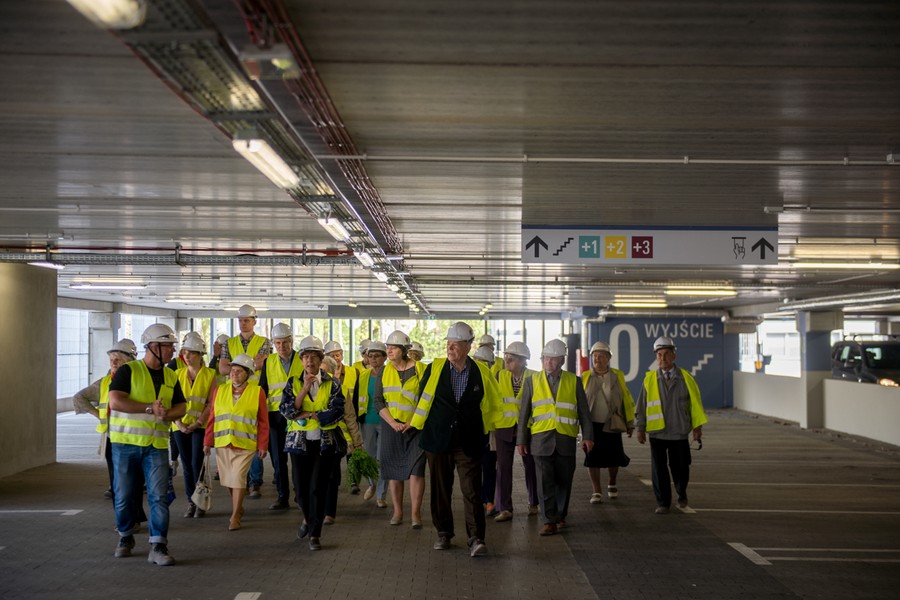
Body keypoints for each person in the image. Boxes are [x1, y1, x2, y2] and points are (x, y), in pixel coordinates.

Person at [409, 322, 501, 557]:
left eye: (455, 344)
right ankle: (444, 533)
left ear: (468, 346)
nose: (450, 348)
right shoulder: (434, 368)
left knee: (472, 491)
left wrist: (490, 434)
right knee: (441, 489)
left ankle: (476, 538)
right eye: (448, 344)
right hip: (438, 440)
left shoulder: (482, 372)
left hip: (469, 441)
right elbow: (423, 399)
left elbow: (492, 404)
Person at [107, 323, 187, 566]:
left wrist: (169, 414)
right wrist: (148, 408)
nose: (173, 351)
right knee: (123, 496)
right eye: (169, 347)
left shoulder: (171, 375)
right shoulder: (128, 371)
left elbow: (181, 407)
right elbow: (116, 401)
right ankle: (125, 537)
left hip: (157, 445)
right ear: (153, 347)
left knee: (159, 497)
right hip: (125, 444)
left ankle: (158, 546)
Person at [516, 339, 593, 536]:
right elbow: (524, 413)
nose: (548, 362)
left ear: (561, 361)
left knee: (564, 481)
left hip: (565, 439)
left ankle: (560, 514)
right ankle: (549, 520)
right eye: (545, 358)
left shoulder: (573, 381)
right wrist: (521, 440)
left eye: (552, 359)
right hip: (540, 440)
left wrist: (588, 436)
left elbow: (584, 412)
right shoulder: (531, 381)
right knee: (544, 481)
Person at [280, 336, 350, 551]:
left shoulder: (333, 383)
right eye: (306, 357)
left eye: (314, 357)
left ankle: (314, 535)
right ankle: (307, 519)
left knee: (317, 489)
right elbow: (287, 411)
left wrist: (308, 414)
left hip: (324, 444)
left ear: (321, 360)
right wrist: (304, 390)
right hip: (299, 444)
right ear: (301, 360)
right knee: (300, 490)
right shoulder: (293, 382)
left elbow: (336, 412)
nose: (309, 361)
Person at [635, 336, 708, 514]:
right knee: (659, 470)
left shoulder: (686, 379)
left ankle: (681, 492)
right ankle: (663, 503)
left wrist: (697, 429)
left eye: (666, 354)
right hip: (657, 432)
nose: (663, 358)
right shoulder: (649, 379)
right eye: (659, 355)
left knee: (681, 467)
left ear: (674, 356)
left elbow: (696, 406)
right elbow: (641, 406)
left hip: (679, 432)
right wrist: (640, 428)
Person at [73, 339, 143, 516]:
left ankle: (134, 516)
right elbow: (79, 397)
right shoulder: (104, 383)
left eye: (118, 359)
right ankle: (123, 519)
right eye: (111, 359)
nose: (113, 362)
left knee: (133, 480)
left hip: (133, 437)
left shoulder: (139, 382)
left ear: (130, 361)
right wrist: (99, 415)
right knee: (117, 482)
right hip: (112, 439)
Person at [203, 354, 269, 530]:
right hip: (223, 442)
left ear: (248, 373)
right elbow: (213, 417)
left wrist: (263, 445)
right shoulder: (220, 390)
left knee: (239, 478)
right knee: (229, 481)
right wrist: (207, 441)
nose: (235, 374)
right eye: (233, 371)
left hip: (245, 444)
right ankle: (238, 508)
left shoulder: (257, 392)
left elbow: (263, 421)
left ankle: (234, 516)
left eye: (239, 371)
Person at [218, 304, 271, 499]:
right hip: (231, 395)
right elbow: (223, 369)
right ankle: (237, 479)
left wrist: (234, 364)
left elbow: (262, 365)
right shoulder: (229, 343)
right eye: (240, 320)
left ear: (255, 321)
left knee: (252, 436)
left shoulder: (264, 342)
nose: (243, 323)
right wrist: (251, 365)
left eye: (247, 320)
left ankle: (254, 482)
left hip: (253, 394)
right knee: (235, 437)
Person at [374, 330, 426, 528]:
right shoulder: (384, 371)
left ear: (403, 350)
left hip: (415, 427)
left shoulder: (421, 370)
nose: (389, 350)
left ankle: (415, 514)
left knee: (417, 470)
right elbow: (378, 401)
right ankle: (398, 512)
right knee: (394, 471)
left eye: (393, 347)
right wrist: (393, 423)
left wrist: (412, 421)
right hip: (391, 427)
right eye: (388, 347)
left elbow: (424, 400)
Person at [581, 341, 635, 504]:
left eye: (601, 356)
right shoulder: (585, 376)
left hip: (612, 422)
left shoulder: (617, 376)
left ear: (609, 358)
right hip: (592, 425)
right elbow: (580, 402)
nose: (597, 359)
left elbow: (626, 398)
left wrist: (630, 422)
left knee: (614, 456)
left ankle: (612, 482)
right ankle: (596, 490)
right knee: (592, 457)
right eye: (595, 356)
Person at [492, 341, 540, 522]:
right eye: (506, 357)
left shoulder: (534, 378)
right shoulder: (499, 376)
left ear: (522, 360)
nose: (507, 361)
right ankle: (504, 508)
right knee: (503, 468)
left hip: (527, 430)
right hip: (504, 428)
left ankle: (534, 502)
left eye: (511, 359)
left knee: (531, 466)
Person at [258, 322, 301, 511]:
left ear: (291, 341)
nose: (282, 347)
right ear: (274, 344)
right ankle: (283, 496)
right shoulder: (269, 362)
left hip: (299, 417)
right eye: (278, 343)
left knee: (299, 458)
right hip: (275, 417)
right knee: (278, 460)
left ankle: (300, 496)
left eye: (285, 342)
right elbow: (262, 390)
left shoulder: (303, 359)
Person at [173, 332, 216, 518]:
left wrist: (198, 422)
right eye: (185, 352)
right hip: (179, 426)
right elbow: (170, 402)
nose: (187, 356)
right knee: (186, 465)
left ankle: (201, 501)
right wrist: (179, 423)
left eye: (191, 352)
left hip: (200, 426)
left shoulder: (210, 374)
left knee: (197, 463)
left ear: (200, 355)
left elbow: (211, 403)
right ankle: (191, 502)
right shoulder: (176, 374)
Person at [357, 341, 388, 506]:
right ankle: (372, 484)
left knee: (382, 458)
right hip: (367, 420)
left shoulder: (390, 374)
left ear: (384, 357)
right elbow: (356, 398)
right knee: (369, 457)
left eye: (377, 356)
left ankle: (381, 495)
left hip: (385, 421)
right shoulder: (363, 375)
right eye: (370, 356)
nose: (373, 359)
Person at [473, 346, 498, 517]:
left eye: (485, 363)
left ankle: (489, 500)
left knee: (488, 467)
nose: (482, 366)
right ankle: (478, 500)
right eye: (479, 362)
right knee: (473, 468)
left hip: (489, 432)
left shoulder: (494, 382)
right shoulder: (468, 380)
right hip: (473, 432)